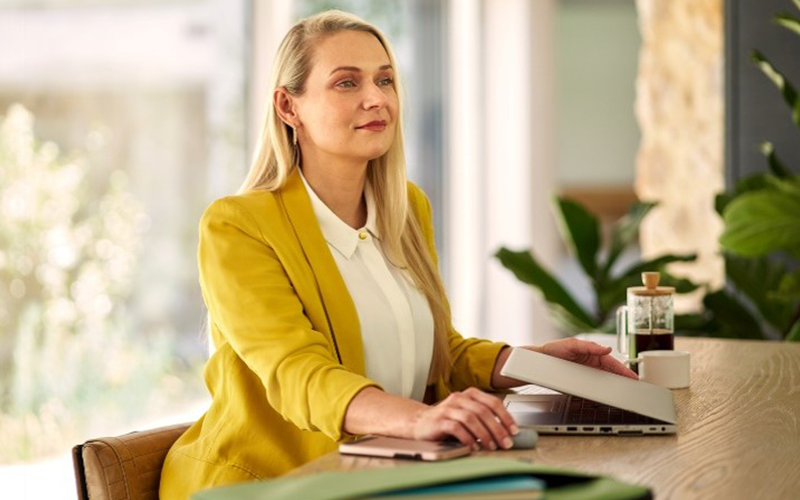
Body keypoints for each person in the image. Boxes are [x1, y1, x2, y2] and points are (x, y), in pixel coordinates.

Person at [159, 10, 637, 499]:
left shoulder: (406, 209)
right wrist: (421, 420)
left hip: (379, 476)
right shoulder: (238, 226)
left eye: (385, 80)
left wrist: (534, 363)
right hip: (268, 484)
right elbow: (298, 374)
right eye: (347, 83)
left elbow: (438, 355)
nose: (376, 98)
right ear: (288, 107)